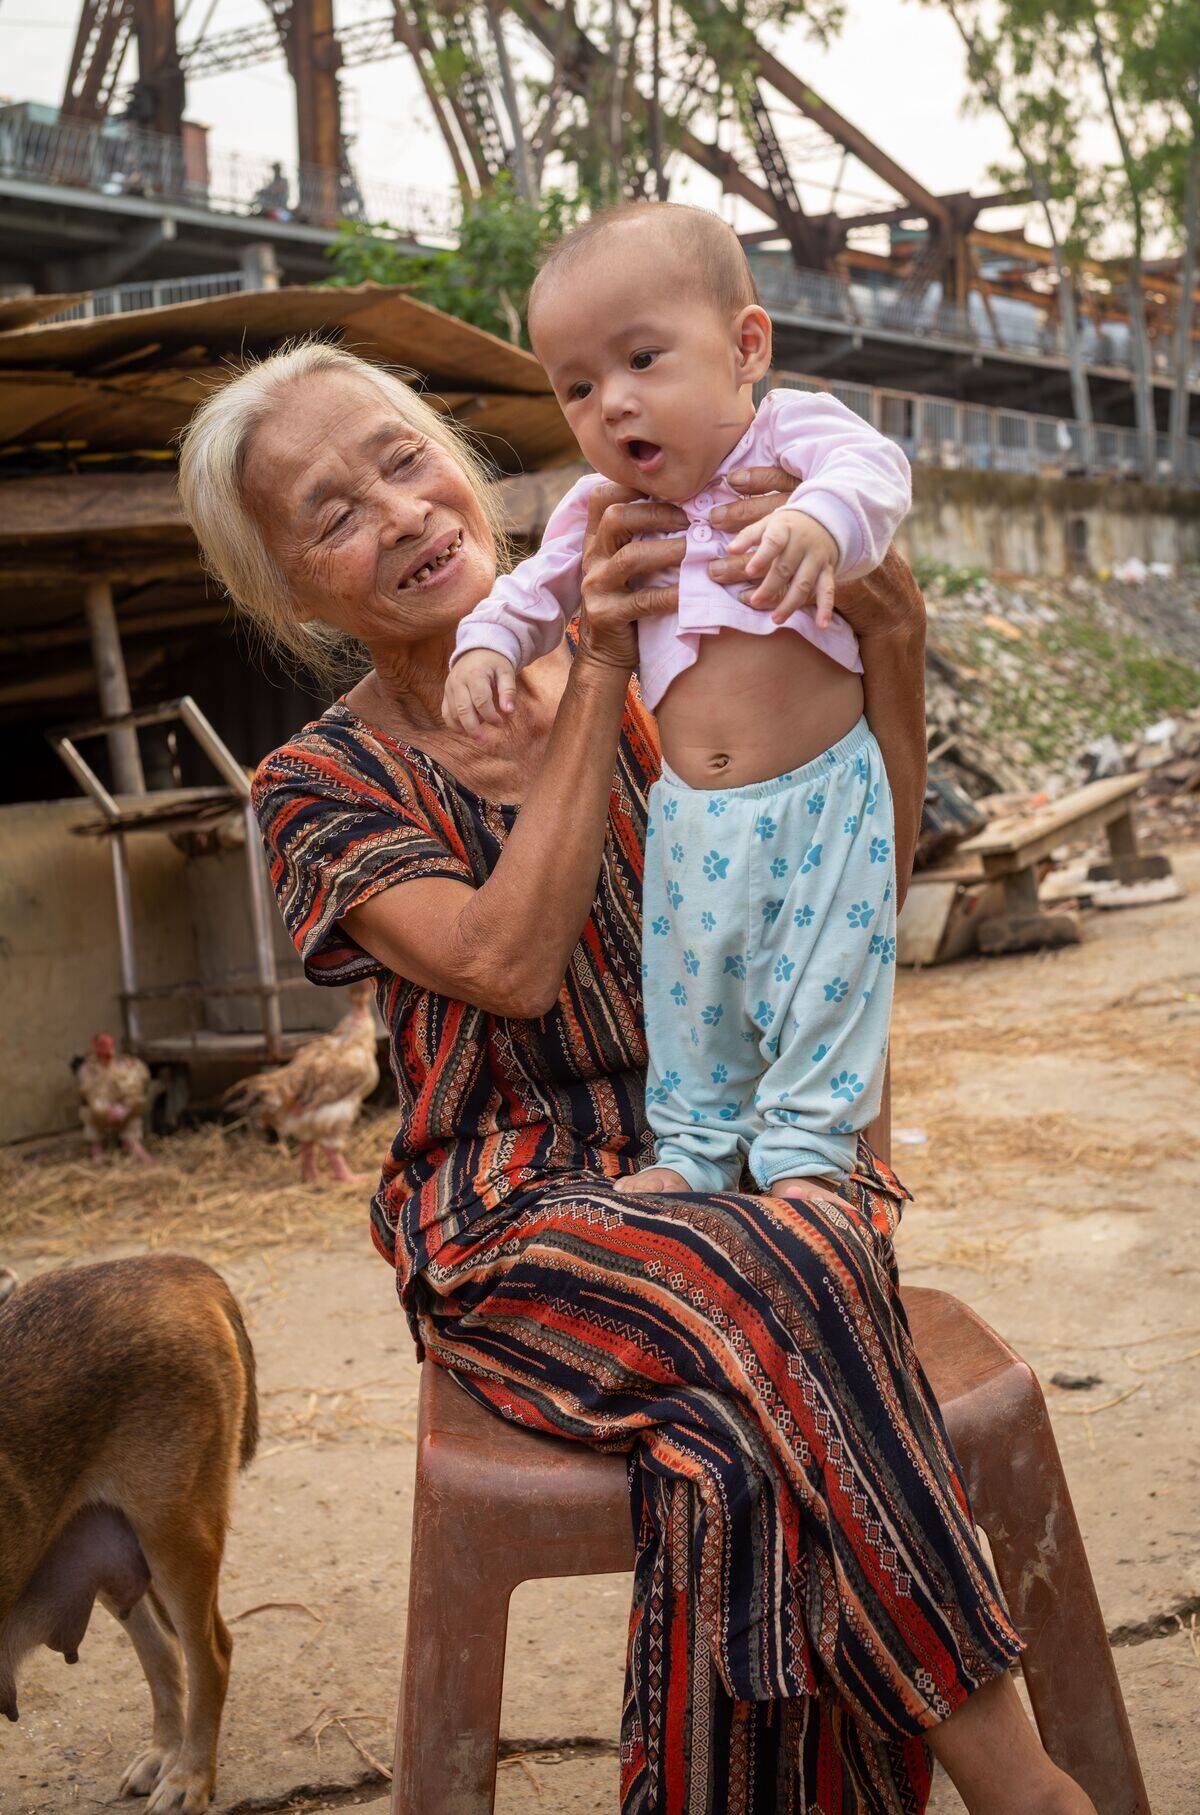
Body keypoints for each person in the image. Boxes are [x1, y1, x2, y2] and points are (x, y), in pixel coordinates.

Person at [178, 338, 1093, 1815]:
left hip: (735, 1150)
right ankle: (1021, 1777)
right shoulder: (317, 785)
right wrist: (594, 667)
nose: (401, 514)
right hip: (516, 1217)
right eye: (333, 512)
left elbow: (855, 861)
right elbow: (506, 962)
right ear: (294, 590)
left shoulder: (692, 645)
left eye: (404, 461)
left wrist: (895, 642)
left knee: (733, 1432)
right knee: (787, 1268)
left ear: (463, 471)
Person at [444, 203, 912, 1206]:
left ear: (746, 347)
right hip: (694, 815)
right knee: (693, 986)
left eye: (643, 359)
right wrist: (486, 644)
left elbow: (878, 473)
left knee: (826, 979)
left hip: (824, 793)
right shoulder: (602, 508)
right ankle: (695, 1149)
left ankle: (812, 1159)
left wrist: (820, 524)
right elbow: (534, 592)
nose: (612, 404)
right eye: (577, 387)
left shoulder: (792, 440)